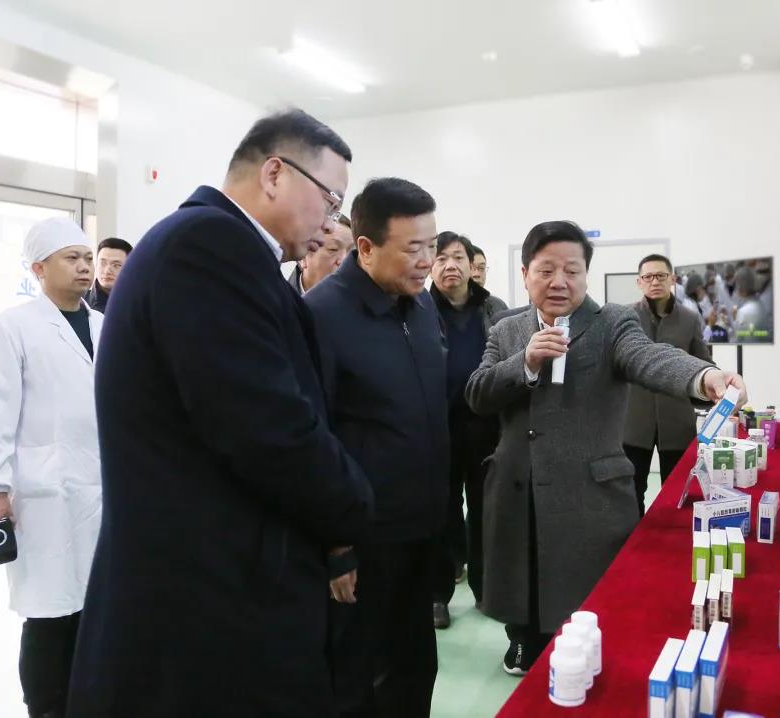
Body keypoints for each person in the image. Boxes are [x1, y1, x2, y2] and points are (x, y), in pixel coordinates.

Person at [68, 109, 374, 718]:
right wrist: (355, 505)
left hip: (216, 582)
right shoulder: (208, 246)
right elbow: (269, 428)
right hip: (206, 594)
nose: (330, 221)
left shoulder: (225, 250)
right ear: (274, 174)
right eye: (330, 200)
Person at [465, 221, 746, 675]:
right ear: (525, 273)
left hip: (587, 487)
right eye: (546, 270)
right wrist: (526, 362)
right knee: (524, 575)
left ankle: (578, 653)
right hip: (520, 483)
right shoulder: (507, 329)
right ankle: (522, 641)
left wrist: (704, 377)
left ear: (586, 275)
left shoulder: (612, 323)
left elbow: (650, 357)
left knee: (585, 592)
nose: (559, 281)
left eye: (572, 271)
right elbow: (478, 392)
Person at [304, 177, 448, 718]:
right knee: (358, 679)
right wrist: (337, 546)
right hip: (363, 540)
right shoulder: (323, 315)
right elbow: (311, 439)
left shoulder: (421, 305)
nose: (426, 261)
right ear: (365, 247)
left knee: (416, 665)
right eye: (412, 249)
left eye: (432, 245)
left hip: (421, 527)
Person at [0, 217, 103, 718]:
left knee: (93, 608)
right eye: (72, 258)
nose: (85, 267)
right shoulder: (10, 329)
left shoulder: (104, 325)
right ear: (39, 268)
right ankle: (45, 707)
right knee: (49, 612)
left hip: (101, 488)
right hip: (45, 492)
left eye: (87, 258)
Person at [428, 231, 508, 628]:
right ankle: (438, 596)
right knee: (441, 514)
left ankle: (485, 590)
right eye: (441, 258)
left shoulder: (494, 309)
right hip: (437, 430)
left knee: (484, 513)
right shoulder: (416, 308)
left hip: (485, 428)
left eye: (457, 257)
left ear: (470, 264)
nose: (450, 266)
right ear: (430, 265)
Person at [623, 254, 714, 516]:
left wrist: (715, 384)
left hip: (676, 420)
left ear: (672, 279)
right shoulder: (625, 316)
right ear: (639, 282)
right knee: (631, 493)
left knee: (678, 495)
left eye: (660, 276)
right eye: (648, 277)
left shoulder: (689, 318)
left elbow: (703, 363)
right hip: (633, 421)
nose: (654, 282)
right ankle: (634, 539)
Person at [289, 213, 354, 295]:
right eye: (333, 249)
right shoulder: (279, 299)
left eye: (352, 251)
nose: (345, 260)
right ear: (303, 257)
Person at [83, 237, 133, 312]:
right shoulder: (79, 302)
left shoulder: (141, 304)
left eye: (116, 265)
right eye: (103, 263)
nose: (107, 271)